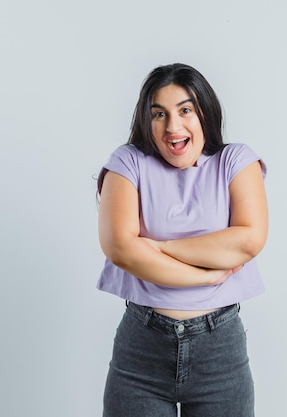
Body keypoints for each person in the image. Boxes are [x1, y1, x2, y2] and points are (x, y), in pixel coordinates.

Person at [96, 63, 268, 417]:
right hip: (142, 351)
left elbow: (248, 241)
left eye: (185, 110)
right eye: (159, 113)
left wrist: (157, 247)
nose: (173, 126)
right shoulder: (128, 162)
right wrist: (205, 275)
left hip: (220, 349)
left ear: (205, 110)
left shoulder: (235, 161)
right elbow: (120, 249)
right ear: (147, 120)